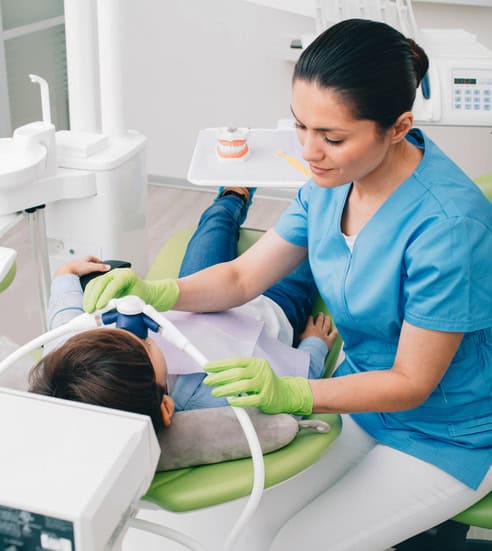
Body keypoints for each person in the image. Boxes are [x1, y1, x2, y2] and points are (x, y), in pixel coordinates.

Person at [83, 18, 492, 551]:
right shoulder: (330, 184)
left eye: (332, 137)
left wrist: (294, 392)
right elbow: (241, 276)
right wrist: (160, 291)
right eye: (301, 126)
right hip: (359, 396)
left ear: (397, 127)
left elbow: (414, 380)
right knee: (238, 530)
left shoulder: (448, 229)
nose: (309, 151)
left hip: (449, 431)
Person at [29, 186, 338, 433]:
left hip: (195, 292)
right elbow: (290, 389)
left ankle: (233, 195)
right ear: (166, 407)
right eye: (145, 340)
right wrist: (315, 344)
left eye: (118, 329)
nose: (132, 321)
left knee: (215, 222)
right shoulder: (216, 397)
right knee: (313, 233)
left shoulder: (68, 364)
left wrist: (67, 274)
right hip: (270, 308)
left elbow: (64, 316)